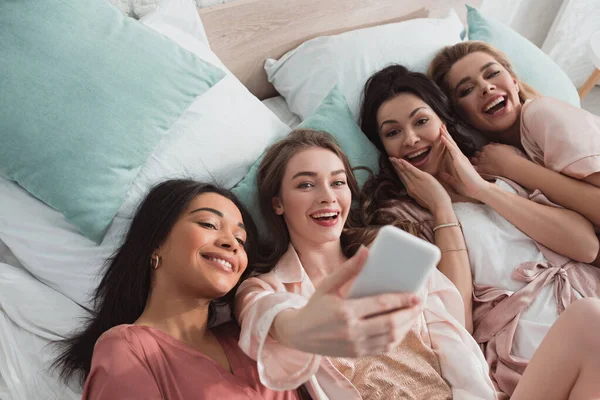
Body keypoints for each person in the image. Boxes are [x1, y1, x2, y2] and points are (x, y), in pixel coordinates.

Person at [358, 64, 600, 398]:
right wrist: (442, 209)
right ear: (383, 147)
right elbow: (455, 328)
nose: (411, 138)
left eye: (421, 121)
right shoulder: (396, 217)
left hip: (584, 299)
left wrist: (481, 189)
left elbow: (586, 246)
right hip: (529, 346)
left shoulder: (496, 167)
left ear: (443, 119)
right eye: (393, 132)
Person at [235, 129, 497, 400]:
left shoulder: (394, 257)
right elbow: (263, 317)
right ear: (277, 203)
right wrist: (304, 325)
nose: (328, 196)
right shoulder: (266, 288)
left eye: (338, 182)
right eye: (306, 185)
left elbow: (458, 351)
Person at [52, 179, 300, 400]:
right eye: (209, 224)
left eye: (241, 240)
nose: (232, 244)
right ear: (156, 242)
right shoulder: (128, 350)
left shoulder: (250, 336)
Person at [428, 41, 600, 266]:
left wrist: (515, 168)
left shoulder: (541, 114)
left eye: (492, 73)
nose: (486, 87)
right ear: (460, 117)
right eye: (466, 90)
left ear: (514, 81)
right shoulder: (491, 161)